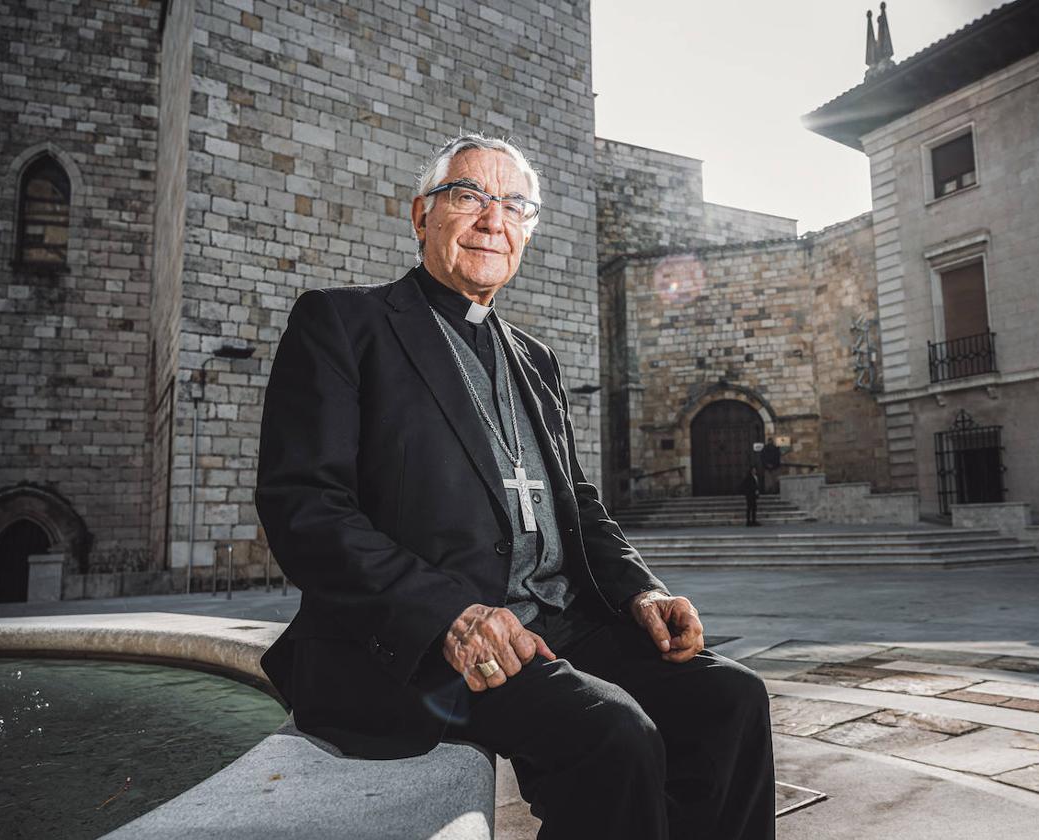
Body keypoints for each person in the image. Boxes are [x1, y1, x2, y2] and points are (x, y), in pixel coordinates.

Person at [254, 134, 774, 840]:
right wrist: (448, 614)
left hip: (561, 624)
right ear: (421, 216)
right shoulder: (344, 325)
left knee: (731, 697)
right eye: (469, 196)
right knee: (612, 735)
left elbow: (578, 502)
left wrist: (640, 590)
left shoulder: (534, 357)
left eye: (513, 204)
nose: (492, 218)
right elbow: (304, 508)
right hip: (419, 640)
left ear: (526, 230)